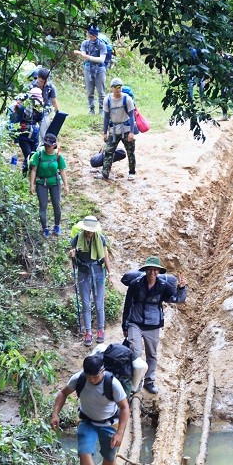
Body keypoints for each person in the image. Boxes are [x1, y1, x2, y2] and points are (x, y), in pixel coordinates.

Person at [51, 354, 130, 465]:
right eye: (89, 377)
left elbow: (124, 407)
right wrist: (55, 413)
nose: (92, 380)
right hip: (87, 421)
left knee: (109, 455)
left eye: (95, 377)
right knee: (84, 452)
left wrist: (119, 432)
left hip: (109, 423)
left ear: (103, 371)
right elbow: (63, 393)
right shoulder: (79, 379)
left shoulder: (112, 383)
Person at [121, 255, 188, 394]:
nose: (152, 273)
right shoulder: (135, 284)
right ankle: (134, 380)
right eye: (149, 270)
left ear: (159, 272)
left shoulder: (163, 286)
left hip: (153, 325)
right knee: (135, 351)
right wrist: (125, 325)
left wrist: (182, 288)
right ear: (145, 270)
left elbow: (177, 299)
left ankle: (149, 381)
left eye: (155, 270)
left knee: (151, 354)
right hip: (135, 322)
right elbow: (128, 305)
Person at [69, 216, 112, 346]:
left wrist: (110, 272)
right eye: (87, 230)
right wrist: (71, 254)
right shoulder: (78, 238)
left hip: (98, 272)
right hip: (83, 273)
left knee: (99, 303)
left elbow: (105, 256)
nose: (89, 232)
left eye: (91, 230)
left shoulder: (101, 238)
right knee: (86, 304)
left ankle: (100, 330)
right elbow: (71, 252)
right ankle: (88, 332)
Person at [29, 133, 69, 237]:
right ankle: (45, 228)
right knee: (43, 205)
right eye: (45, 145)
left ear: (54, 145)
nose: (46, 147)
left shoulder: (58, 156)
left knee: (57, 204)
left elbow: (62, 170)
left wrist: (66, 185)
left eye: (49, 145)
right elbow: (33, 170)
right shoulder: (39, 155)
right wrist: (32, 185)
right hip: (41, 183)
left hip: (55, 182)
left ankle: (57, 225)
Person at [101, 77, 137, 181]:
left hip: (126, 129)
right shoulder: (107, 100)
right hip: (114, 130)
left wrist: (131, 132)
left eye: (120, 87)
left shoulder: (127, 99)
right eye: (116, 87)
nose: (118, 89)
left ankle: (132, 172)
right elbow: (106, 117)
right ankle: (105, 174)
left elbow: (132, 116)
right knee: (108, 152)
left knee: (130, 151)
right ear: (111, 88)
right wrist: (105, 132)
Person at [74, 26, 108, 115]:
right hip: (88, 68)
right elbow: (83, 53)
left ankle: (101, 110)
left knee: (101, 92)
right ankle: (91, 110)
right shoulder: (85, 43)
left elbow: (102, 60)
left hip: (100, 69)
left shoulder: (102, 45)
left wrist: (88, 57)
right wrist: (83, 54)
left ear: (95, 35)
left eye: (92, 35)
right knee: (90, 91)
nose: (90, 37)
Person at [9, 93, 40, 173]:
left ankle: (26, 173)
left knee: (32, 155)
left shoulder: (39, 109)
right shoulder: (21, 108)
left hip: (34, 135)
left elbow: (39, 118)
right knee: (28, 156)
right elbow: (13, 121)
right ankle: (25, 173)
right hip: (23, 135)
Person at [31, 68, 59, 139]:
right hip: (32, 112)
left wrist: (57, 114)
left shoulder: (51, 88)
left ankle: (43, 147)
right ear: (37, 78)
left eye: (45, 82)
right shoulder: (31, 86)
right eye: (41, 81)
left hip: (45, 112)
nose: (43, 84)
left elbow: (54, 101)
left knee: (43, 133)